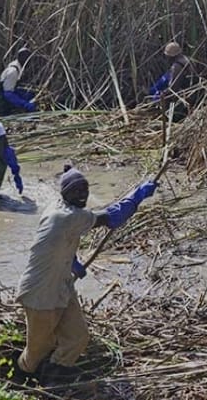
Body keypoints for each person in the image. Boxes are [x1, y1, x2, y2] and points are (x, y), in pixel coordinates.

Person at [12, 165, 157, 386]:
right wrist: (138, 195)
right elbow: (113, 217)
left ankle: (53, 379)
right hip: (40, 292)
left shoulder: (61, 209)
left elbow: (58, 240)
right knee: (38, 349)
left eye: (85, 189)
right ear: (65, 193)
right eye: (76, 191)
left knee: (77, 338)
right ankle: (19, 381)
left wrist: (72, 261)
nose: (82, 195)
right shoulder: (67, 216)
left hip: (62, 286)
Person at [0, 47, 37, 113]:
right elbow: (8, 93)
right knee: (28, 104)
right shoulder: (13, 71)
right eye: (27, 58)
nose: (28, 60)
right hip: (5, 93)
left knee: (30, 94)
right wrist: (24, 104)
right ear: (21, 57)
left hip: (12, 89)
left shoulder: (18, 66)